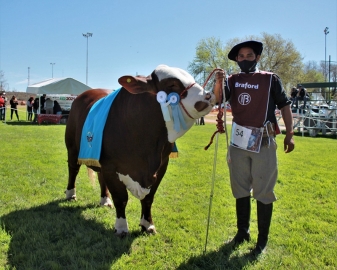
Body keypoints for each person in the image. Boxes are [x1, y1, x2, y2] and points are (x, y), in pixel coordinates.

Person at [213, 40, 295, 257]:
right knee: (239, 188)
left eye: (250, 56)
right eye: (241, 57)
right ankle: (243, 232)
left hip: (265, 141)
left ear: (257, 58)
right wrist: (219, 81)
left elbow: (285, 105)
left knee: (263, 191)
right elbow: (219, 98)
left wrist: (290, 134)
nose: (245, 59)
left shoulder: (270, 79)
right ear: (237, 60)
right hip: (239, 143)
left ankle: (262, 241)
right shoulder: (232, 80)